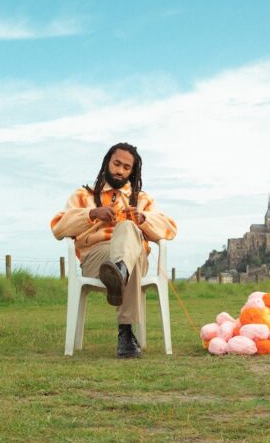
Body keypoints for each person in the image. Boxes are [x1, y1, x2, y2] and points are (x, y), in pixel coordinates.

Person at [50, 142, 177, 358]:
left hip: (133, 256)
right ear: (107, 162)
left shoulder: (142, 199)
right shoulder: (83, 195)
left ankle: (119, 271)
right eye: (116, 164)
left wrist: (144, 219)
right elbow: (58, 227)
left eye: (126, 168)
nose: (120, 170)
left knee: (128, 229)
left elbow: (170, 229)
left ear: (132, 171)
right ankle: (126, 335)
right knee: (130, 260)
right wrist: (91, 214)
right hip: (96, 258)